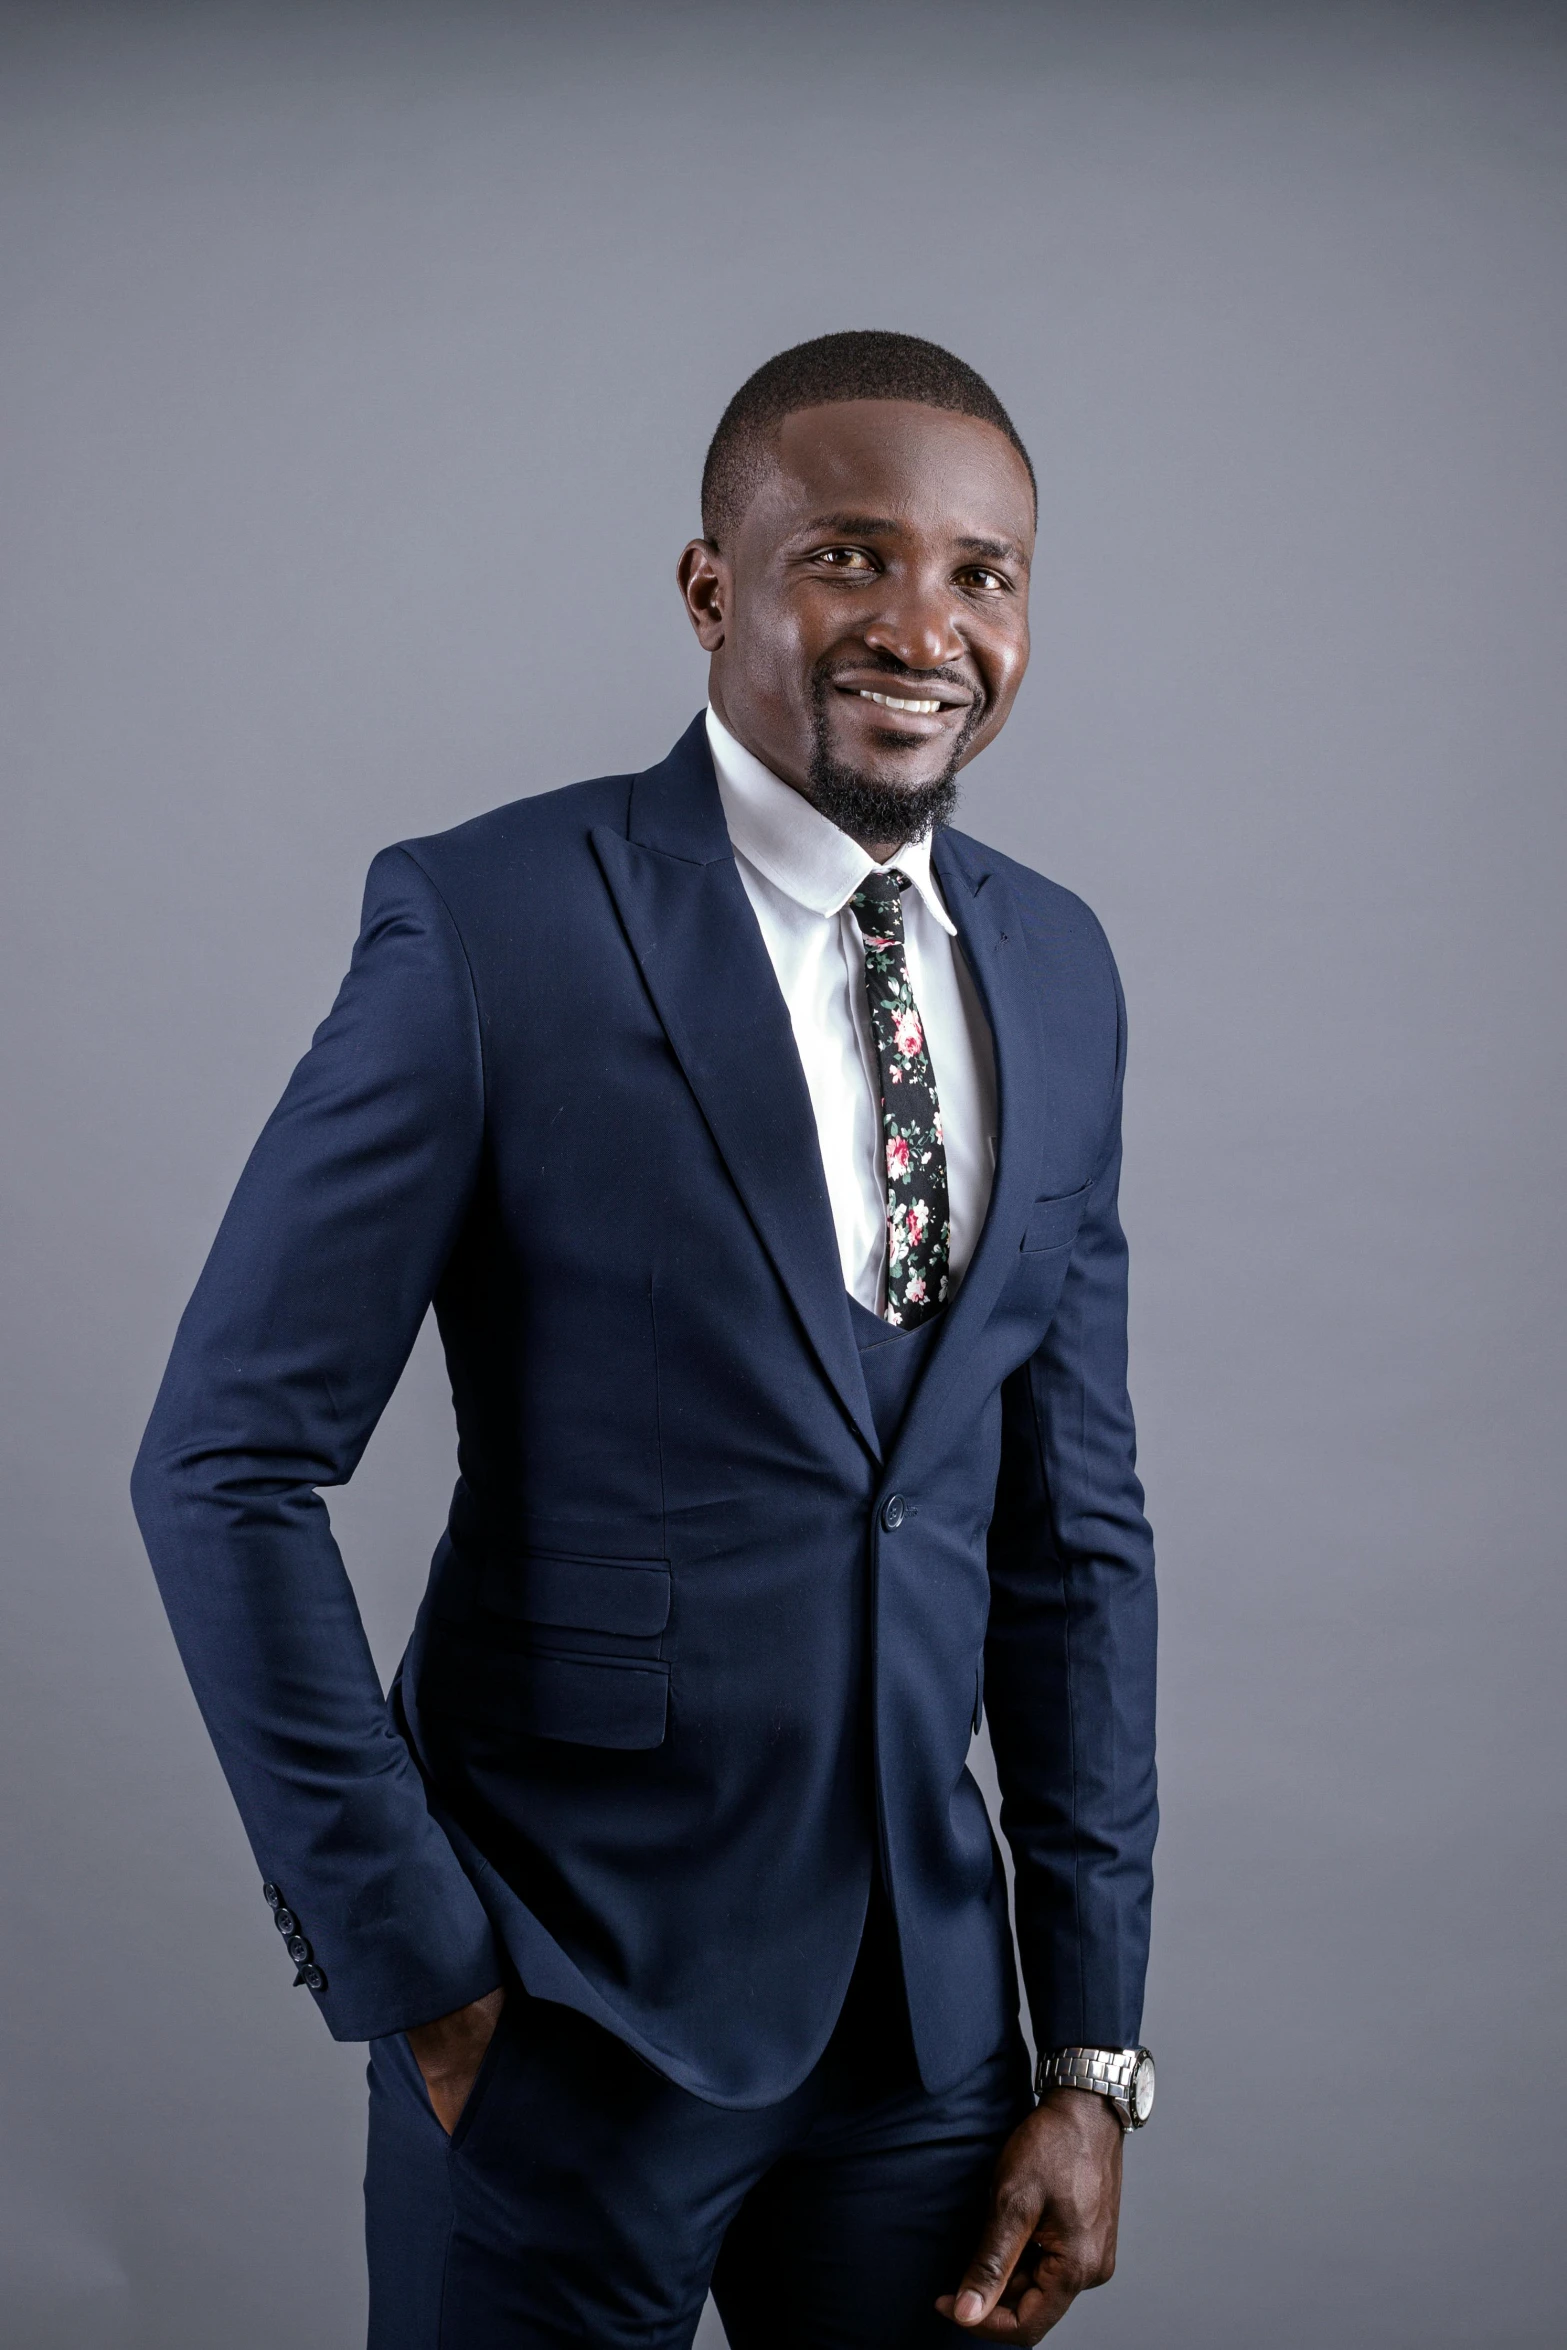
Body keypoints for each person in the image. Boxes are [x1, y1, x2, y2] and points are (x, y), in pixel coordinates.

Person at [132, 330, 1158, 2349]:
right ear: (713, 588)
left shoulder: (1056, 965)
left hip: (931, 2043)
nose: (924, 626)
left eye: (984, 572)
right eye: (851, 556)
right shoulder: (494, 925)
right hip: (559, 2007)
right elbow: (220, 1462)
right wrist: (415, 1967)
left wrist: (1088, 2051)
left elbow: (1076, 1535)